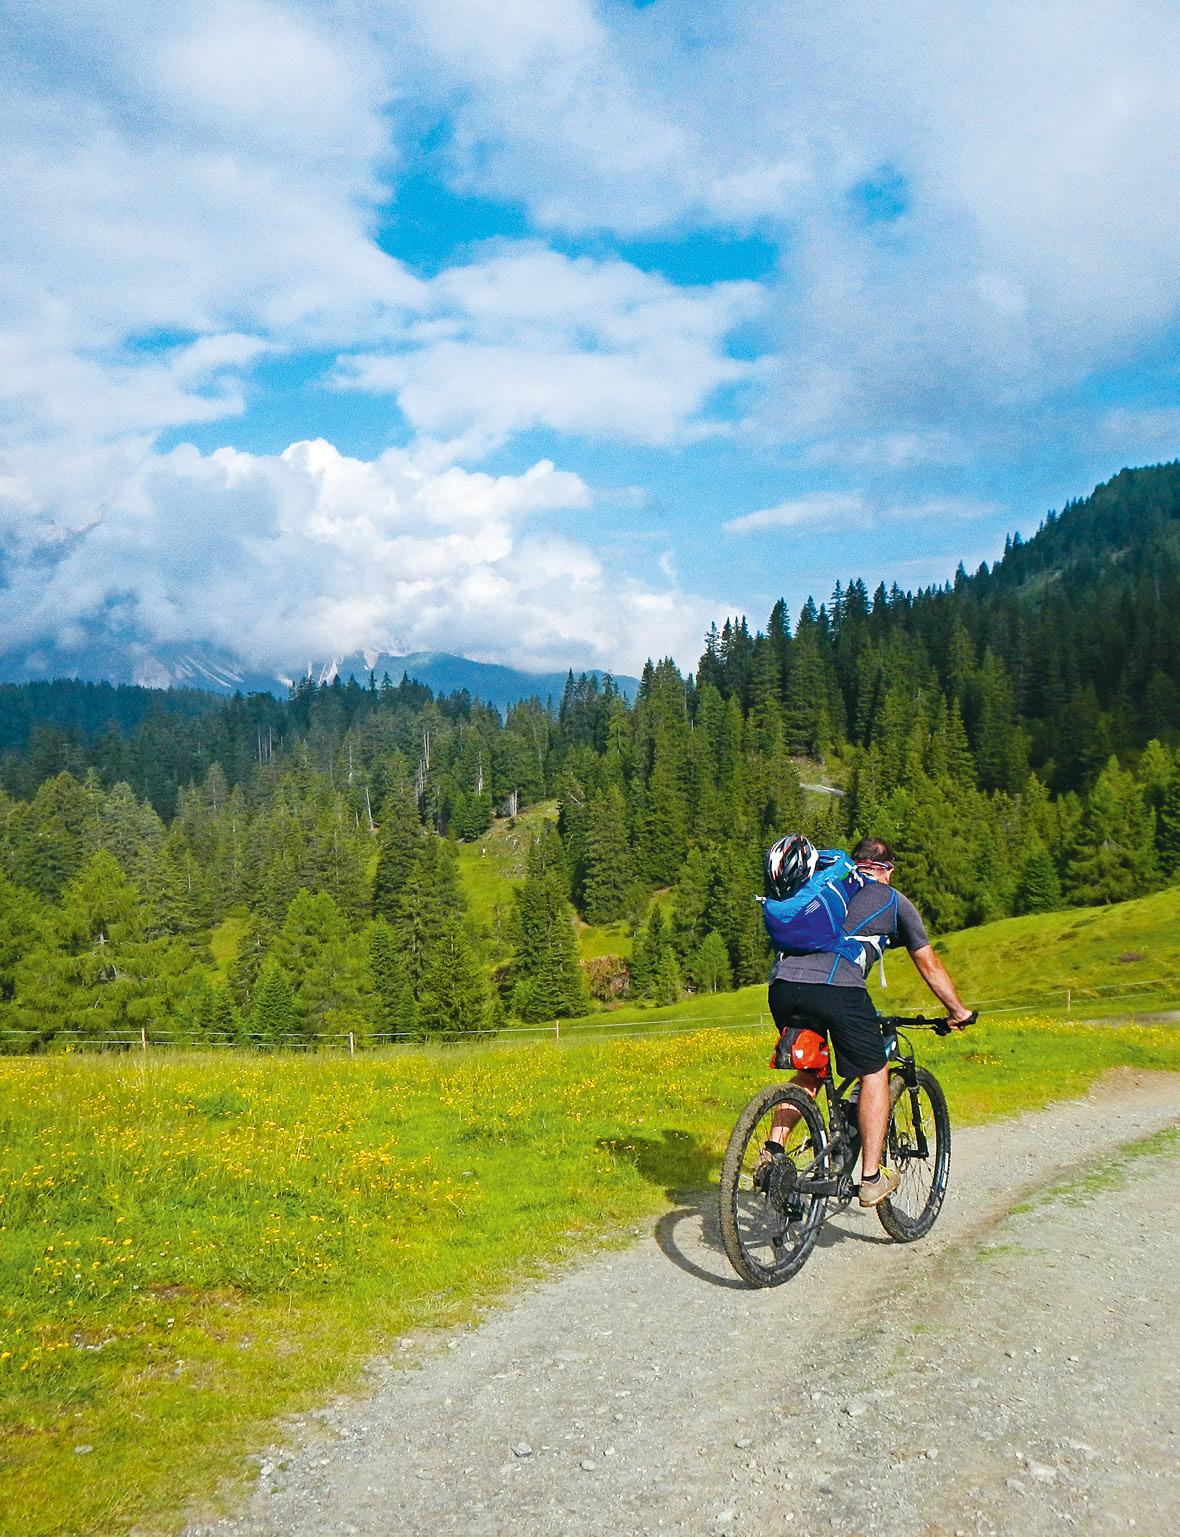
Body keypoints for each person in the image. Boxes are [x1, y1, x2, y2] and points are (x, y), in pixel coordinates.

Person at [766, 834, 974, 1206]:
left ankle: (771, 1153)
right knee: (875, 1072)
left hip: (782, 987)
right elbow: (928, 962)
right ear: (886, 869)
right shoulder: (893, 900)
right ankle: (871, 1179)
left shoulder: (826, 884)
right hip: (836, 989)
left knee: (810, 1072)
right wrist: (957, 1011)